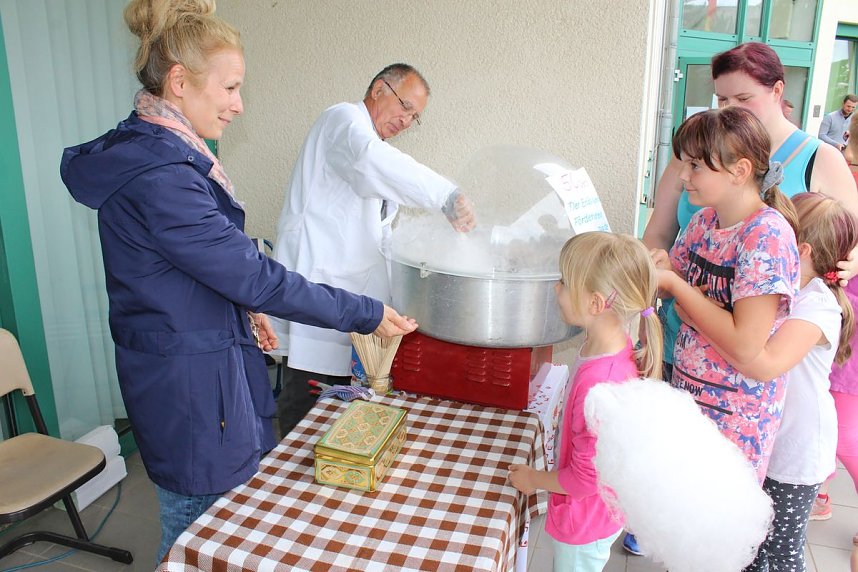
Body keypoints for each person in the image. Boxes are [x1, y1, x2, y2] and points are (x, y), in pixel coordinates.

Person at [60, 0, 417, 563]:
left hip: (205, 371)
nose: (239, 105)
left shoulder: (171, 154)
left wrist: (244, 309)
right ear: (180, 82)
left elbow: (202, 268)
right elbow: (253, 276)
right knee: (195, 540)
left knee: (223, 531)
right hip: (192, 390)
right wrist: (364, 312)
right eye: (229, 88)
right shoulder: (162, 177)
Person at [270, 63, 476, 436]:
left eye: (415, 117)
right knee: (309, 389)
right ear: (380, 88)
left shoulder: (370, 145)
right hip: (320, 284)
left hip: (345, 293)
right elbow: (370, 163)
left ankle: (329, 461)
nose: (407, 120)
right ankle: (291, 472)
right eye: (405, 106)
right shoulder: (344, 121)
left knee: (336, 393)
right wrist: (444, 194)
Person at [679, 192, 857, 572]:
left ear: (801, 249)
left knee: (776, 555)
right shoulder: (776, 289)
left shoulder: (818, 304)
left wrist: (697, 319)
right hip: (762, 440)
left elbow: (760, 363)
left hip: (794, 451)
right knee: (743, 545)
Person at [653, 106, 800, 485]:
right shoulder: (704, 221)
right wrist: (666, 275)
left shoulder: (766, 236)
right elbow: (680, 287)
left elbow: (745, 344)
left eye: (696, 166)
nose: (684, 176)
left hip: (735, 422)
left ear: (740, 171)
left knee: (710, 533)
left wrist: (679, 291)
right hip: (689, 402)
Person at [508, 231, 663, 572]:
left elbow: (584, 478)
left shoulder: (600, 384)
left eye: (564, 282)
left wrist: (534, 480)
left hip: (585, 522)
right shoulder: (610, 345)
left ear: (595, 303)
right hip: (596, 513)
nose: (556, 288)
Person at [810, 118, 858, 565]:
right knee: (824, 403)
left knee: (844, 431)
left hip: (850, 318)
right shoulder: (837, 173)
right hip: (838, 305)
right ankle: (820, 491)